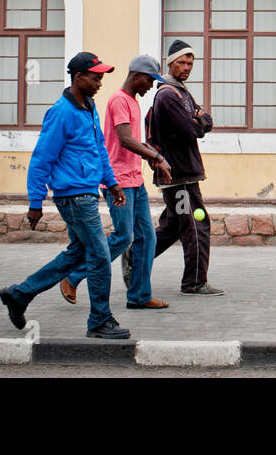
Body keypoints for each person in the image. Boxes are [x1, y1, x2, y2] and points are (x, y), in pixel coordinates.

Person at [0, 52, 131, 339]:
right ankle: (99, 320)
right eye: (95, 77)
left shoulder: (89, 108)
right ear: (78, 76)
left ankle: (19, 295)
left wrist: (112, 182)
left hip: (87, 192)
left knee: (77, 254)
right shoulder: (61, 112)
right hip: (74, 197)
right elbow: (41, 159)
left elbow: (99, 151)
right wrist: (35, 201)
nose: (99, 83)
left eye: (101, 77)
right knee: (99, 255)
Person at [59, 55, 173, 310]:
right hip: (119, 180)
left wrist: (152, 155)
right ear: (136, 75)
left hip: (135, 178)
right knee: (123, 237)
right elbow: (124, 139)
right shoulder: (119, 100)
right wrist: (154, 155)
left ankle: (139, 295)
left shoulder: (132, 102)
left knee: (147, 239)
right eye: (149, 80)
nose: (150, 86)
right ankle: (74, 275)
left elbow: (134, 141)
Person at [150, 39, 223, 295]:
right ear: (170, 63)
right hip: (178, 175)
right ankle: (194, 282)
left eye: (190, 63)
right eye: (181, 62)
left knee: (172, 226)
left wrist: (199, 120)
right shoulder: (168, 94)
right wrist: (197, 121)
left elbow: (206, 120)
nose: (186, 67)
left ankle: (134, 257)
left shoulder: (182, 92)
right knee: (195, 226)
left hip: (185, 174)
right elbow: (190, 129)